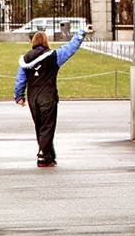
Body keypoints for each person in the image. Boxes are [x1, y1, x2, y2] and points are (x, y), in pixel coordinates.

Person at [14, 26, 89, 166]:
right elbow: (71, 48)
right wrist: (81, 33)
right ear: (46, 42)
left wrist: (19, 96)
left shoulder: (25, 59)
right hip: (48, 96)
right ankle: (43, 155)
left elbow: (20, 79)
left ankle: (49, 155)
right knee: (48, 127)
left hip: (33, 97)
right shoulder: (54, 56)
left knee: (40, 126)